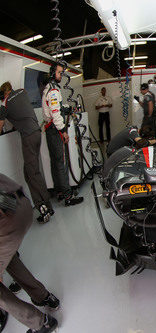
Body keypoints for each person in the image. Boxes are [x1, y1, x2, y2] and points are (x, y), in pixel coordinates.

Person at [0, 173, 59, 333]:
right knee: (9, 256)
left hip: (6, 218)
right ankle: (44, 297)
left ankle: (41, 323)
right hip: (21, 204)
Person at [0, 82, 54, 223]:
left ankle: (44, 207)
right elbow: (21, 98)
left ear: (4, 93)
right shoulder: (22, 92)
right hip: (37, 133)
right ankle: (44, 204)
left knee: (32, 173)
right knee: (29, 171)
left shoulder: (4, 103)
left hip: (28, 138)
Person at [41, 62, 83, 206]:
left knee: (55, 162)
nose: (61, 75)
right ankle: (68, 196)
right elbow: (55, 113)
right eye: (59, 73)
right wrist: (63, 131)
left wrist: (66, 107)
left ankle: (60, 191)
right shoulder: (53, 91)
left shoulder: (50, 89)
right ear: (53, 74)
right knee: (61, 163)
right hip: (55, 129)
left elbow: (56, 107)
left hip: (50, 129)